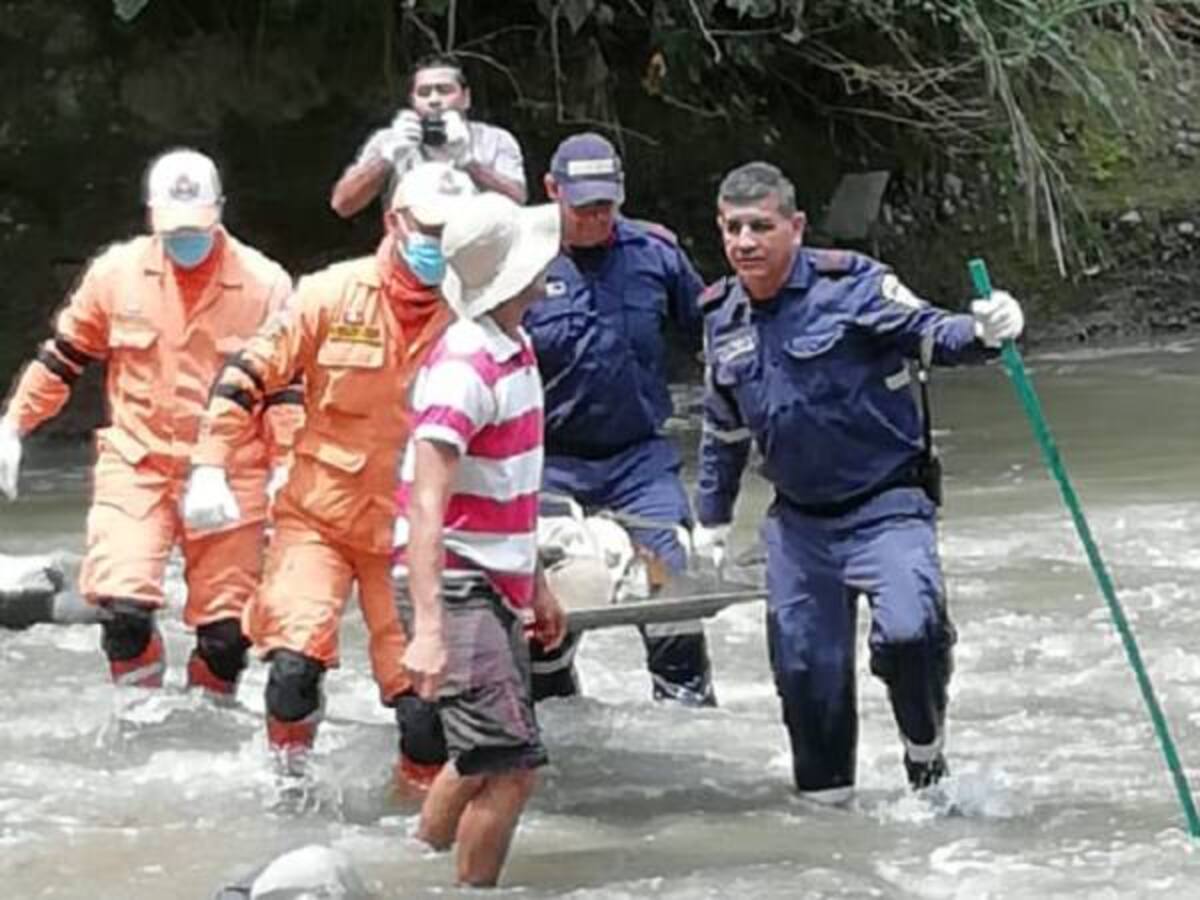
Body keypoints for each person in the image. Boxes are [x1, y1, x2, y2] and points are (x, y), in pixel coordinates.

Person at [692, 161, 1026, 802]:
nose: (745, 242)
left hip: (886, 505)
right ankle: (830, 824)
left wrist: (985, 331)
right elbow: (723, 427)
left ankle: (925, 760)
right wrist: (711, 521)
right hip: (797, 525)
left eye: (760, 226)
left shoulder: (853, 285)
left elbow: (933, 333)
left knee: (910, 634)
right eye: (733, 228)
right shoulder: (722, 314)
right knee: (803, 674)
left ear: (795, 227)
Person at [182, 162, 473, 787]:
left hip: (416, 532)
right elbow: (247, 376)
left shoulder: (476, 311)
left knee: (423, 707)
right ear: (395, 221)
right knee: (292, 667)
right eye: (431, 229)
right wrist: (209, 466)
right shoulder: (329, 294)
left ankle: (416, 817)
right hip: (320, 517)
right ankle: (288, 785)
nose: (441, 245)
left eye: (457, 233)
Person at [0, 149, 299, 697]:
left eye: (198, 227)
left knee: (228, 635)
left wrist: (288, 466)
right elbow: (64, 357)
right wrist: (14, 425)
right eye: (173, 228)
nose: (186, 240)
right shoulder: (115, 274)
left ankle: (208, 714)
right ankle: (139, 710)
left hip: (232, 471)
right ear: (149, 215)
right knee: (124, 610)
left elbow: (284, 389)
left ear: (222, 211)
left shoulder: (266, 284)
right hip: (137, 463)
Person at [396, 191, 566, 887]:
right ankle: (471, 888)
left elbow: (508, 488)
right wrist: (429, 627)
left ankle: (415, 865)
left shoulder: (515, 345)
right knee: (511, 769)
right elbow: (426, 504)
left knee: (481, 757)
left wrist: (536, 584)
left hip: (494, 583)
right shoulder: (466, 366)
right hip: (458, 586)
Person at [522, 132, 716, 706]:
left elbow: (713, 330)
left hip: (638, 460)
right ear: (552, 190)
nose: (595, 217)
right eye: (581, 206)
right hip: (547, 464)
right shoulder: (519, 258)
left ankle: (689, 713)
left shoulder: (655, 253)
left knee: (670, 587)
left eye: (606, 205)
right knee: (551, 602)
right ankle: (556, 712)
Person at [330, 54, 526, 219]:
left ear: (466, 98)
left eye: (444, 90)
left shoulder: (496, 139)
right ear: (412, 101)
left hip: (481, 249)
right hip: (411, 251)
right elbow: (342, 205)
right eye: (424, 93)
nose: (434, 100)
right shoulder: (388, 140)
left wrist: (468, 163)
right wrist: (386, 158)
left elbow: (518, 200)